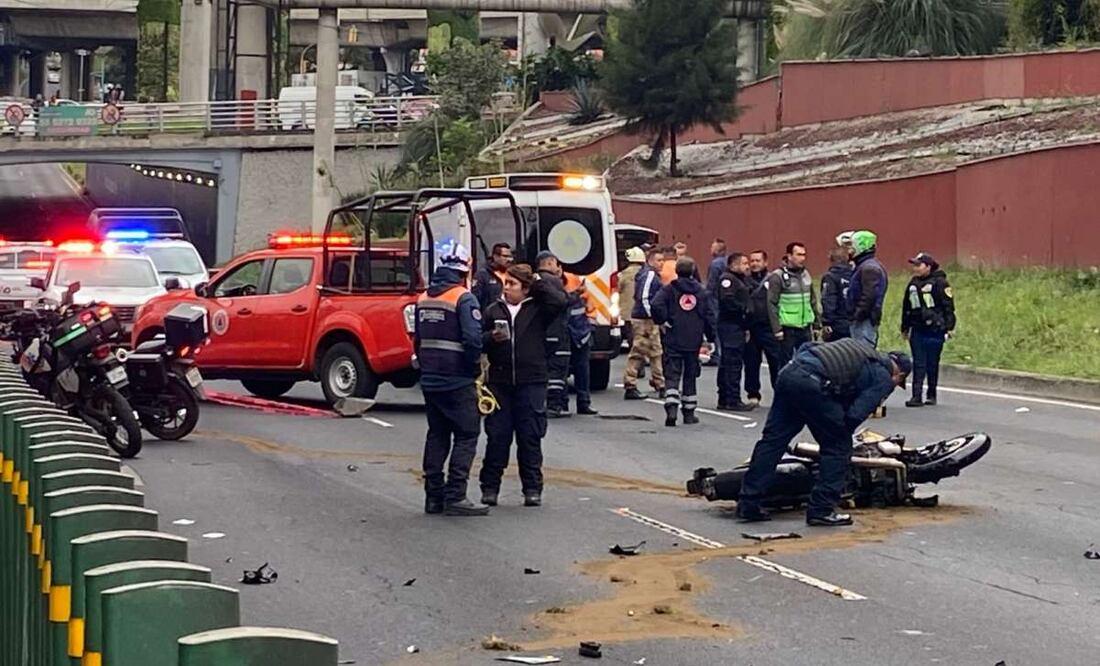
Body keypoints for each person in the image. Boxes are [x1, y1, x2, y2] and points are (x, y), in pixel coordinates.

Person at [736, 338, 912, 526]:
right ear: (899, 373)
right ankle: (821, 509)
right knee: (838, 448)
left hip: (789, 373)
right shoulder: (883, 377)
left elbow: (808, 346)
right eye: (898, 382)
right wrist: (840, 431)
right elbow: (854, 415)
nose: (894, 386)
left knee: (773, 442)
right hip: (812, 385)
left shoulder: (860, 349)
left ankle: (748, 503)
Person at [480, 264, 567, 508]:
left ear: (525, 289)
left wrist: (537, 281)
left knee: (530, 437)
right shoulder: (493, 310)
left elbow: (560, 302)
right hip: (500, 381)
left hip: (532, 381)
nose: (507, 288)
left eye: (512, 284)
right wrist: (490, 338)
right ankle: (489, 488)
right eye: (505, 283)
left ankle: (532, 488)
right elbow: (478, 339)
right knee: (498, 436)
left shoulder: (538, 310)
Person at [414, 241, 488, 516]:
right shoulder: (462, 298)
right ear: (463, 271)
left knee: (437, 434)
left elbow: (418, 339)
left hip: (431, 377)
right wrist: (473, 368)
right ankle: (456, 495)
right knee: (467, 434)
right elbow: (472, 339)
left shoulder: (424, 298)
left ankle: (433, 497)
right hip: (457, 378)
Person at [652, 257, 715, 427]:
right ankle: (689, 413)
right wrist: (711, 338)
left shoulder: (669, 290)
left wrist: (664, 321)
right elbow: (709, 316)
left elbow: (656, 305)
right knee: (690, 376)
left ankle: (671, 407)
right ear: (693, 270)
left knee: (672, 374)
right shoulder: (701, 292)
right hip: (693, 339)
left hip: (674, 337)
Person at [901, 252, 955, 407]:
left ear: (928, 266)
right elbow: (907, 306)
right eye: (914, 265)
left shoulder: (940, 283)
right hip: (917, 328)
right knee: (918, 363)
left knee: (932, 362)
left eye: (919, 265)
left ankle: (932, 394)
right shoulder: (913, 283)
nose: (916, 268)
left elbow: (948, 307)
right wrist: (905, 327)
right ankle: (916, 396)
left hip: (935, 329)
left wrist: (949, 327)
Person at [623, 248, 666, 400]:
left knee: (656, 351)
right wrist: (653, 316)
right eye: (659, 260)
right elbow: (644, 297)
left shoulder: (649, 274)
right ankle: (630, 384)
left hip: (647, 318)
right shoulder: (649, 275)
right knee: (639, 352)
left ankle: (659, 382)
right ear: (650, 261)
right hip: (644, 319)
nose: (662, 263)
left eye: (663, 260)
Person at [767, 242, 819, 365]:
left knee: (807, 362)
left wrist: (817, 324)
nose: (802, 258)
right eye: (799, 255)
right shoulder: (777, 276)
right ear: (789, 256)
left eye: (804, 255)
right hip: (787, 328)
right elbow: (771, 303)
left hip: (805, 327)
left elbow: (812, 300)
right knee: (785, 364)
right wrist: (777, 329)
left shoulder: (806, 274)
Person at [743, 250, 783, 406]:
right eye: (752, 261)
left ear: (765, 262)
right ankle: (753, 395)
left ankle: (779, 394)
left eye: (757, 261)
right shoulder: (744, 281)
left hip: (769, 327)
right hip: (751, 328)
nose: (754, 264)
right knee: (751, 363)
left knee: (775, 362)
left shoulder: (773, 279)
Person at [716, 253, 754, 411]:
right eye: (744, 263)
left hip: (737, 326)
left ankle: (725, 398)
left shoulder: (740, 280)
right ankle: (732, 399)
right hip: (730, 326)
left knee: (729, 362)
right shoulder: (728, 280)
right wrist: (743, 311)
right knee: (732, 363)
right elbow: (727, 301)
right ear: (733, 265)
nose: (747, 266)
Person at [536, 252, 572, 418]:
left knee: (547, 368)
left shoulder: (536, 280)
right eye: (556, 263)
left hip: (542, 332)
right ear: (550, 263)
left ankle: (557, 402)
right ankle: (555, 404)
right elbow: (562, 302)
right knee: (557, 370)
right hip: (557, 331)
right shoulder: (553, 281)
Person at [564, 271, 598, 415]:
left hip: (580, 331)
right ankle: (561, 403)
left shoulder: (573, 279)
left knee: (582, 369)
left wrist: (590, 326)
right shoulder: (549, 282)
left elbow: (588, 304)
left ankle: (583, 402)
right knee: (561, 370)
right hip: (563, 332)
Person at [847, 230, 888, 347]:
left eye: (852, 245)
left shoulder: (869, 268)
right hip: (864, 321)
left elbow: (869, 297)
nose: (850, 250)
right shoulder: (865, 265)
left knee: (863, 356)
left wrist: (857, 315)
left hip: (864, 322)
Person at [704, 239, 729, 367]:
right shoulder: (727, 262)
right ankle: (720, 354)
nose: (710, 249)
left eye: (712, 247)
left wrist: (705, 299)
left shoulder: (715, 264)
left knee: (716, 327)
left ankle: (718, 355)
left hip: (714, 300)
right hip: (725, 299)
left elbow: (711, 285)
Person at [820, 246, 854, 342]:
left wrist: (826, 322)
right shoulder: (855, 274)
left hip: (837, 324)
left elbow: (828, 300)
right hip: (854, 323)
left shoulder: (830, 277)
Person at [472, 243, 514, 310]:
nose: (509, 260)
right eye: (505, 256)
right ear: (495, 257)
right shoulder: (482, 275)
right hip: (489, 316)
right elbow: (475, 300)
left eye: (510, 257)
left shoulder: (513, 274)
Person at [618, 246, 645, 348]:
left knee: (631, 334)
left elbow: (618, 289)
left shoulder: (624, 274)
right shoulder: (647, 273)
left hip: (628, 311)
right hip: (643, 311)